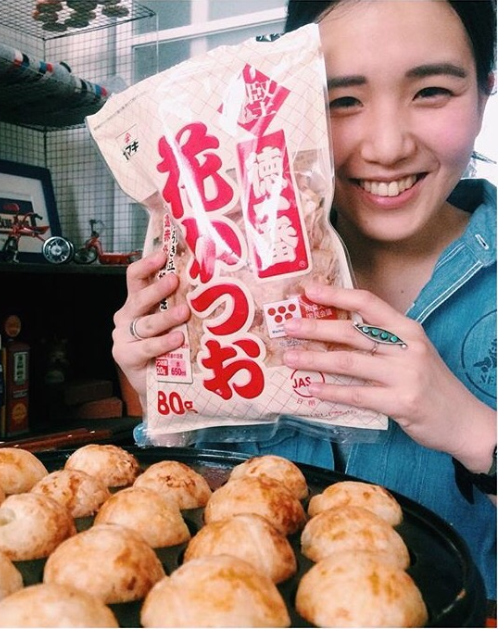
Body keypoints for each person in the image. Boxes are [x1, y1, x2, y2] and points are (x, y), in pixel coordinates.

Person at [111, 0, 497, 596]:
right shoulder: (228, 269)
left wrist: (476, 433)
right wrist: (169, 399)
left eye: (431, 92)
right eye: (342, 100)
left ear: (485, 93)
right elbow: (205, 520)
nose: (387, 146)